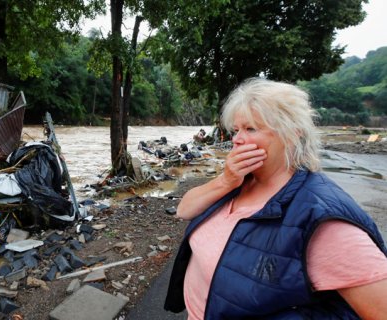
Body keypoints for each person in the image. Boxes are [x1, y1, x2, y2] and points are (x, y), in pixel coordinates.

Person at [164, 78, 387, 319]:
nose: (236, 139)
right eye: (235, 130)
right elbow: (184, 210)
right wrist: (225, 181)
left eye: (250, 129)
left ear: (292, 134)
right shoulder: (239, 180)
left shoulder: (323, 219)